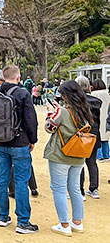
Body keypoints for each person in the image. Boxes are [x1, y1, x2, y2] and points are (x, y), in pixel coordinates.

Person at [0, 65, 38, 234]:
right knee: (20, 181)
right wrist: (32, 139)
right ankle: (23, 221)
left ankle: (2, 216)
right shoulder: (22, 93)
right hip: (19, 142)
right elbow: (30, 119)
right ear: (18, 78)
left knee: (2, 179)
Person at [44, 80, 93, 236]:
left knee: (59, 189)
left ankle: (64, 224)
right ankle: (77, 222)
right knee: (75, 189)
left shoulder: (62, 111)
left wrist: (49, 114)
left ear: (65, 96)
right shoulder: (85, 111)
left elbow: (49, 128)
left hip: (60, 155)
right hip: (78, 154)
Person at [75, 76, 101, 199]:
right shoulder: (96, 101)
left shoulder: (76, 101)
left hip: (81, 135)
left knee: (79, 163)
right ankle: (94, 189)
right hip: (94, 134)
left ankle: (80, 190)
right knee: (92, 163)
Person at [92, 79, 109, 162]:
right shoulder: (107, 93)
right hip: (106, 116)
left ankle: (99, 156)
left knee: (98, 137)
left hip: (98, 116)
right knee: (105, 137)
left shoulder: (94, 94)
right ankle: (106, 155)